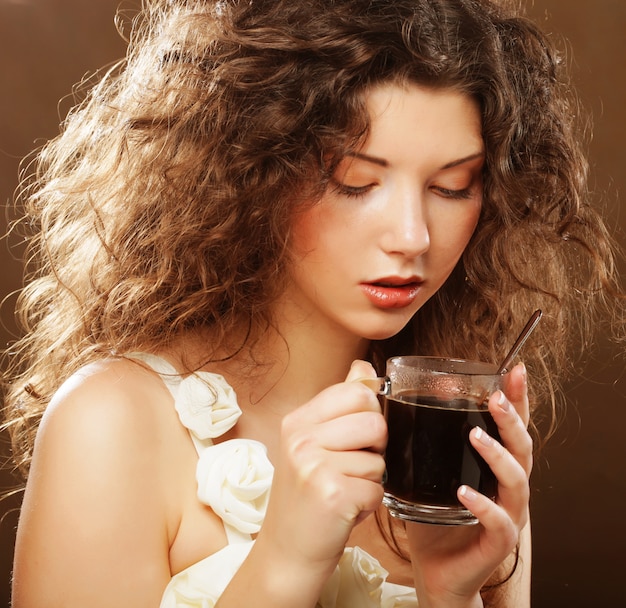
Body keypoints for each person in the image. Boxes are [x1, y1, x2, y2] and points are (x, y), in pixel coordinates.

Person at [2, 0, 624, 606]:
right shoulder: (111, 424)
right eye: (357, 182)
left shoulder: (460, 445)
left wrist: (451, 595)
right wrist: (284, 564)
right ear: (255, 168)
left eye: (452, 187)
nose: (413, 236)